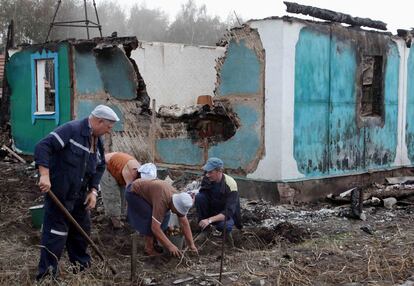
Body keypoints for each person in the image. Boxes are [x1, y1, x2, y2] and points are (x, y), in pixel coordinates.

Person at [34, 105, 119, 280]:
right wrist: (44, 174)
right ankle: (47, 277)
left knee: (81, 233)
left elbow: (100, 165)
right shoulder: (72, 130)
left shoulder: (97, 141)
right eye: (108, 127)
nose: (109, 131)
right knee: (55, 236)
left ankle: (82, 272)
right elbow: (43, 146)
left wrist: (93, 191)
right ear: (99, 121)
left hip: (79, 198)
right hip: (60, 194)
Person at [125, 165, 197, 256]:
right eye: (177, 211)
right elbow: (155, 227)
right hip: (133, 192)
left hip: (150, 192)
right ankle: (149, 248)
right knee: (150, 216)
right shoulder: (162, 201)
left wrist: (192, 245)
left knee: (165, 216)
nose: (177, 213)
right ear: (174, 206)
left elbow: (184, 223)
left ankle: (156, 241)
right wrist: (170, 246)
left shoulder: (179, 198)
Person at [195, 157, 242, 245]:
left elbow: (228, 212)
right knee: (199, 197)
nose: (207, 175)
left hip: (225, 214)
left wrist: (209, 220)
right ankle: (205, 230)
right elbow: (202, 197)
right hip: (212, 208)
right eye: (207, 172)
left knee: (224, 226)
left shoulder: (231, 184)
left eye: (210, 172)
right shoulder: (207, 179)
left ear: (219, 171)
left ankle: (228, 237)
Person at [100, 152, 141, 228]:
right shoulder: (132, 173)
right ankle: (115, 221)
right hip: (106, 166)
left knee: (122, 193)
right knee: (113, 195)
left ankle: (121, 216)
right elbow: (129, 194)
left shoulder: (141, 172)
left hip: (119, 168)